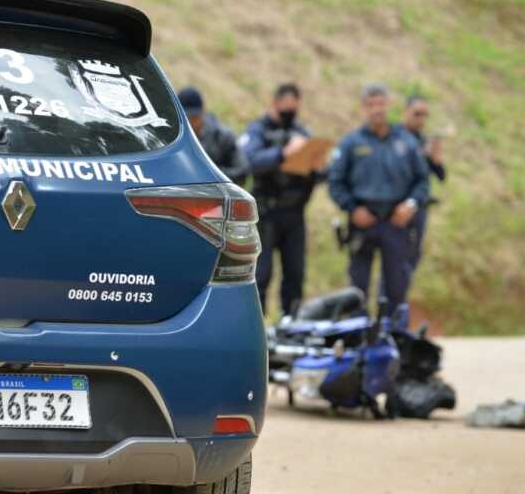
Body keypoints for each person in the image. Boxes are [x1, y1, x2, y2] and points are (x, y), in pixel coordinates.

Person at [328, 83, 429, 318]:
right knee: (358, 289)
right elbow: (335, 182)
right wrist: (352, 209)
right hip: (363, 222)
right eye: (371, 105)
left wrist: (410, 205)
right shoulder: (351, 143)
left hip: (396, 222)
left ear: (388, 106)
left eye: (381, 104)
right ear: (363, 108)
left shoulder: (406, 142)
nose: (377, 110)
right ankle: (359, 341)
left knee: (396, 287)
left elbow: (422, 182)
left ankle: (392, 340)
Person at [240, 83, 322, 315]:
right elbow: (249, 161)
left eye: (294, 110)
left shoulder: (301, 132)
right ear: (275, 103)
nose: (290, 114)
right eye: (286, 109)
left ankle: (291, 324)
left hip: (294, 215)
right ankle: (257, 327)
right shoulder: (258, 130)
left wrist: (317, 164)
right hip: (267, 214)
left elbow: (323, 171)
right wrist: (283, 153)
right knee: (261, 274)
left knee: (295, 274)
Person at [401, 94, 446, 271]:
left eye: (425, 115)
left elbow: (440, 175)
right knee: (393, 257)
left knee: (412, 256)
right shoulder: (393, 137)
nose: (421, 120)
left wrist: (435, 158)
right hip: (398, 205)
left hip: (419, 206)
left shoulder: (424, 140)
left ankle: (399, 297)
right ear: (406, 112)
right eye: (417, 114)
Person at [177, 87, 249, 185]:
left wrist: (211, 173)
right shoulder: (172, 138)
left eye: (193, 117)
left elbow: (242, 171)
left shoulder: (222, 137)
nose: (189, 123)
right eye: (185, 118)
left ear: (203, 113)